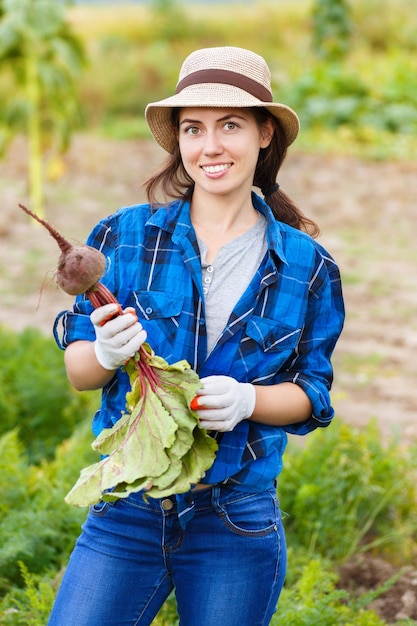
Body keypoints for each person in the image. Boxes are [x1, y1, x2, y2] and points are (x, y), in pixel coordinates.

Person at [48, 46, 344, 626]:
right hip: (129, 507)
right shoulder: (124, 236)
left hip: (235, 517)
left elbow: (313, 394)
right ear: (178, 141)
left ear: (264, 134)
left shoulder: (306, 267)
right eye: (194, 128)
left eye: (230, 125)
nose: (210, 146)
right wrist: (106, 352)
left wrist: (249, 401)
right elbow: (80, 373)